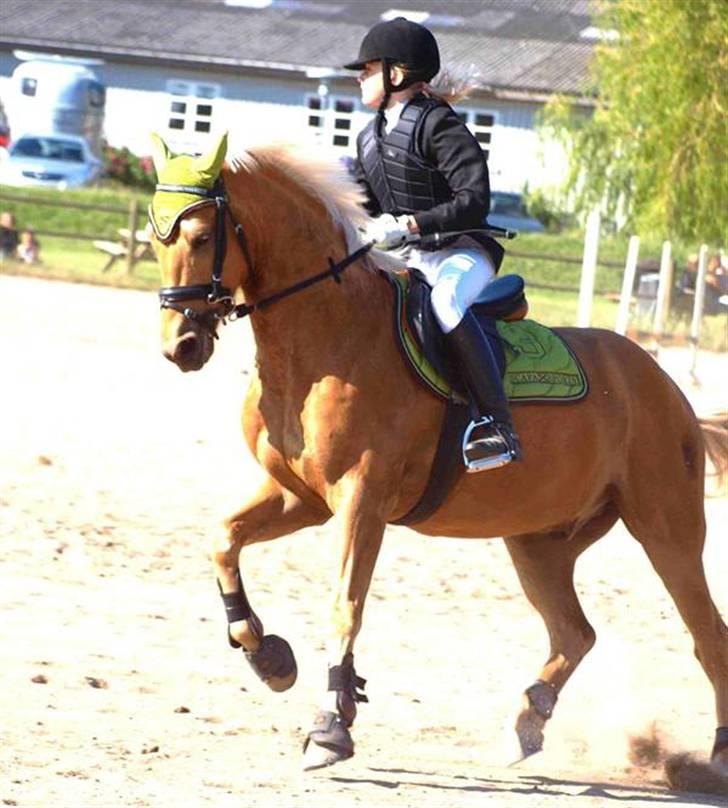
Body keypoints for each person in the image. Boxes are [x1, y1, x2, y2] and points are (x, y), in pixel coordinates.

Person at [343, 17, 521, 472]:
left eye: (367, 69)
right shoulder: (369, 136)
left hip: (460, 250)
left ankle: (497, 425)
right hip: (407, 254)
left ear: (396, 74)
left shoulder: (440, 125)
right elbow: (362, 201)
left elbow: (474, 199)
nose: (359, 77)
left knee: (445, 303)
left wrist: (412, 224)